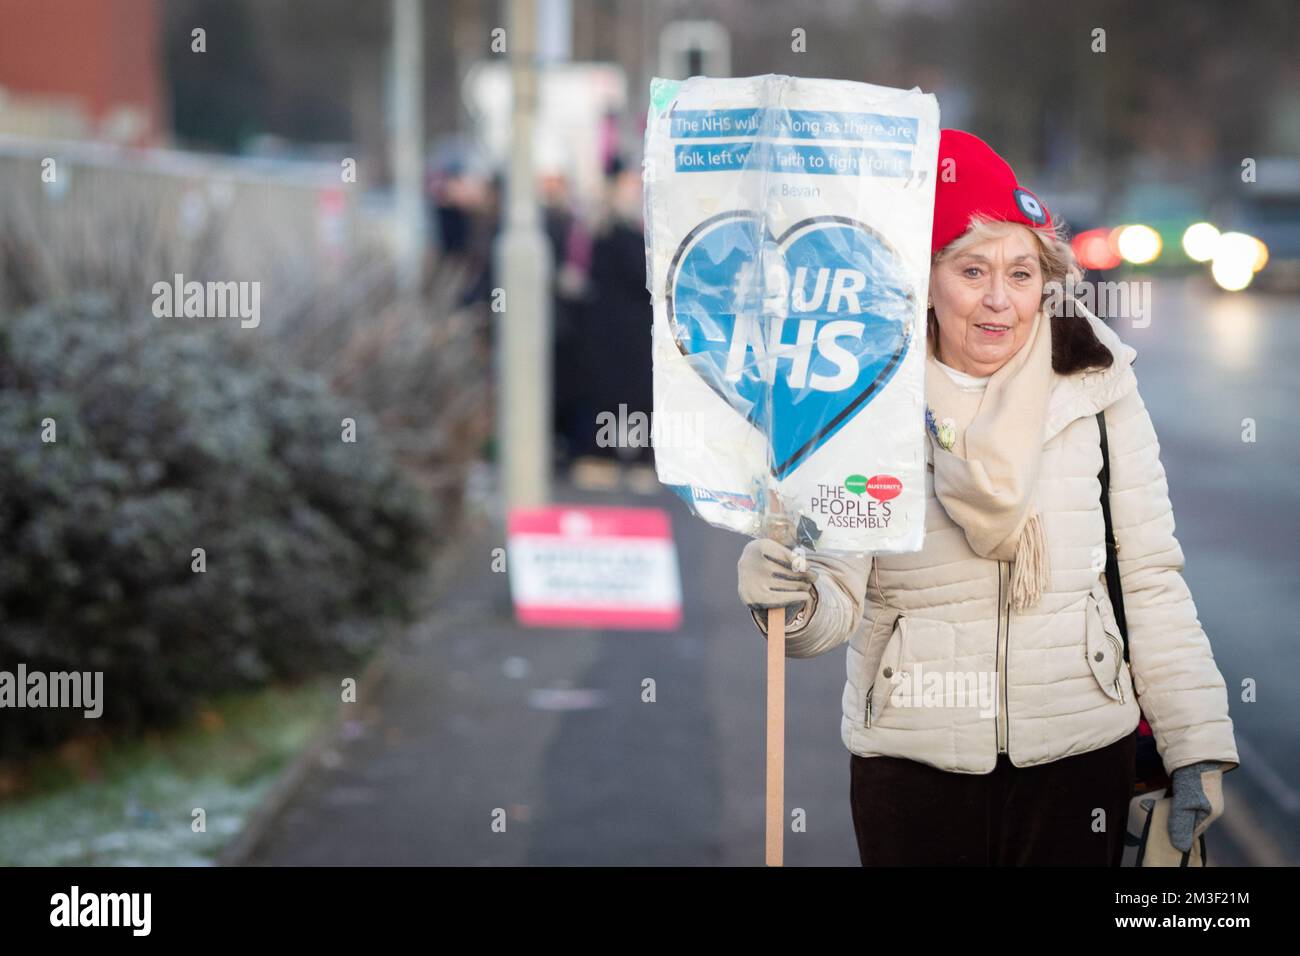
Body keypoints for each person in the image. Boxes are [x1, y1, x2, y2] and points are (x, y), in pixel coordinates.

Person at [736, 129, 1239, 866]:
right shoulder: (864, 398)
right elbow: (834, 607)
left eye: (1021, 272)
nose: (1000, 300)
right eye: (971, 270)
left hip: (1078, 758)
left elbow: (1151, 578)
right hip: (912, 765)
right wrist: (788, 599)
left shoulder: (1098, 384)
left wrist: (1195, 742)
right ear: (923, 278)